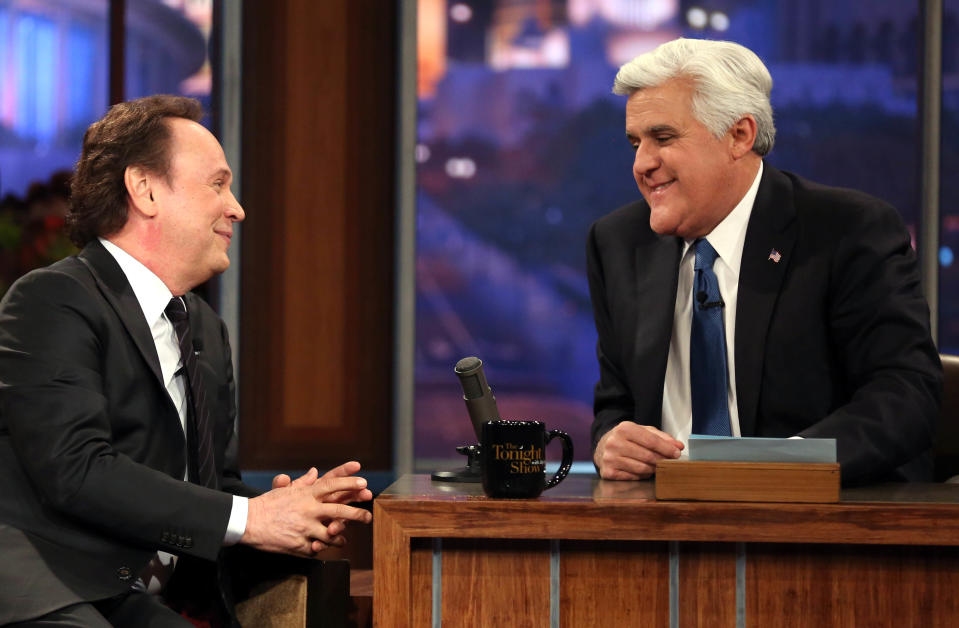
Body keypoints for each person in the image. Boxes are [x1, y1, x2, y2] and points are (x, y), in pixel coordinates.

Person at [0, 95, 373, 626]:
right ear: (145, 190)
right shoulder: (52, 301)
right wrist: (251, 518)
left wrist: (292, 514)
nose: (237, 207)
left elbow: (210, 488)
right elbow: (76, 470)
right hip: (56, 590)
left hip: (143, 595)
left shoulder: (203, 328)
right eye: (217, 184)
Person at [587, 38, 941, 485]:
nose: (642, 164)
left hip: (820, 521)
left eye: (663, 138)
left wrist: (779, 468)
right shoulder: (618, 242)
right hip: (666, 524)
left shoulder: (847, 230)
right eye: (635, 142)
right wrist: (608, 444)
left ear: (739, 135)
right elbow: (616, 403)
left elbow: (905, 395)